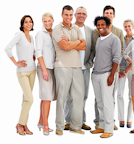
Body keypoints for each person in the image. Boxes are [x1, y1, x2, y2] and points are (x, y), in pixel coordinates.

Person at [52, 5, 86, 135]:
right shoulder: (57, 29)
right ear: (62, 15)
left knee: (78, 97)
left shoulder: (76, 28)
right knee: (62, 97)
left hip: (77, 66)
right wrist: (77, 42)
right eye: (66, 15)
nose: (69, 17)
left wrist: (73, 42)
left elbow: (83, 46)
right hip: (62, 66)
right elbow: (64, 46)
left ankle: (75, 126)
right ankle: (59, 127)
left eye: (71, 15)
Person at [93, 5, 124, 130]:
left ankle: (109, 128)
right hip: (95, 74)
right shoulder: (99, 39)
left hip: (107, 74)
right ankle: (101, 126)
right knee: (100, 103)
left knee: (107, 103)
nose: (100, 27)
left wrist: (112, 75)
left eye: (102, 25)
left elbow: (117, 58)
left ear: (107, 25)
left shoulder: (115, 39)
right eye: (98, 25)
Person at [64, 6, 94, 131]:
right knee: (70, 96)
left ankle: (81, 121)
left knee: (84, 95)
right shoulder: (70, 29)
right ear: (75, 15)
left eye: (84, 13)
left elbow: (92, 49)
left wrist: (89, 62)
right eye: (79, 13)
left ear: (86, 16)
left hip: (85, 68)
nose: (81, 15)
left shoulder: (91, 31)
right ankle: (68, 121)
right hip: (72, 67)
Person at [5, 15, 36, 135]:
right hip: (22, 72)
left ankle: (24, 124)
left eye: (30, 22)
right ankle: (19, 124)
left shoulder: (31, 37)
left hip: (32, 71)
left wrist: (32, 56)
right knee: (29, 99)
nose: (28, 24)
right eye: (26, 22)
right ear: (22, 24)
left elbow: (31, 52)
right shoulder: (19, 34)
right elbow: (7, 48)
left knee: (25, 100)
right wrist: (16, 62)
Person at [35, 12, 56, 136]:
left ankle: (41, 122)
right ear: (42, 22)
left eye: (49, 21)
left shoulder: (54, 33)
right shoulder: (40, 34)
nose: (47, 23)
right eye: (45, 21)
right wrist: (43, 69)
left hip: (53, 68)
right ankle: (46, 126)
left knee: (46, 96)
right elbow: (39, 52)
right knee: (47, 97)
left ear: (53, 20)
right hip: (44, 68)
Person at [117, 19, 134, 128]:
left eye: (129, 26)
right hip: (120, 70)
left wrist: (126, 71)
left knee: (131, 95)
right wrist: (120, 70)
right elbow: (119, 53)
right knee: (120, 94)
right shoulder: (121, 38)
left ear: (133, 26)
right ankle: (121, 119)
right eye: (125, 26)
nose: (127, 28)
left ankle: (129, 119)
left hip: (132, 70)